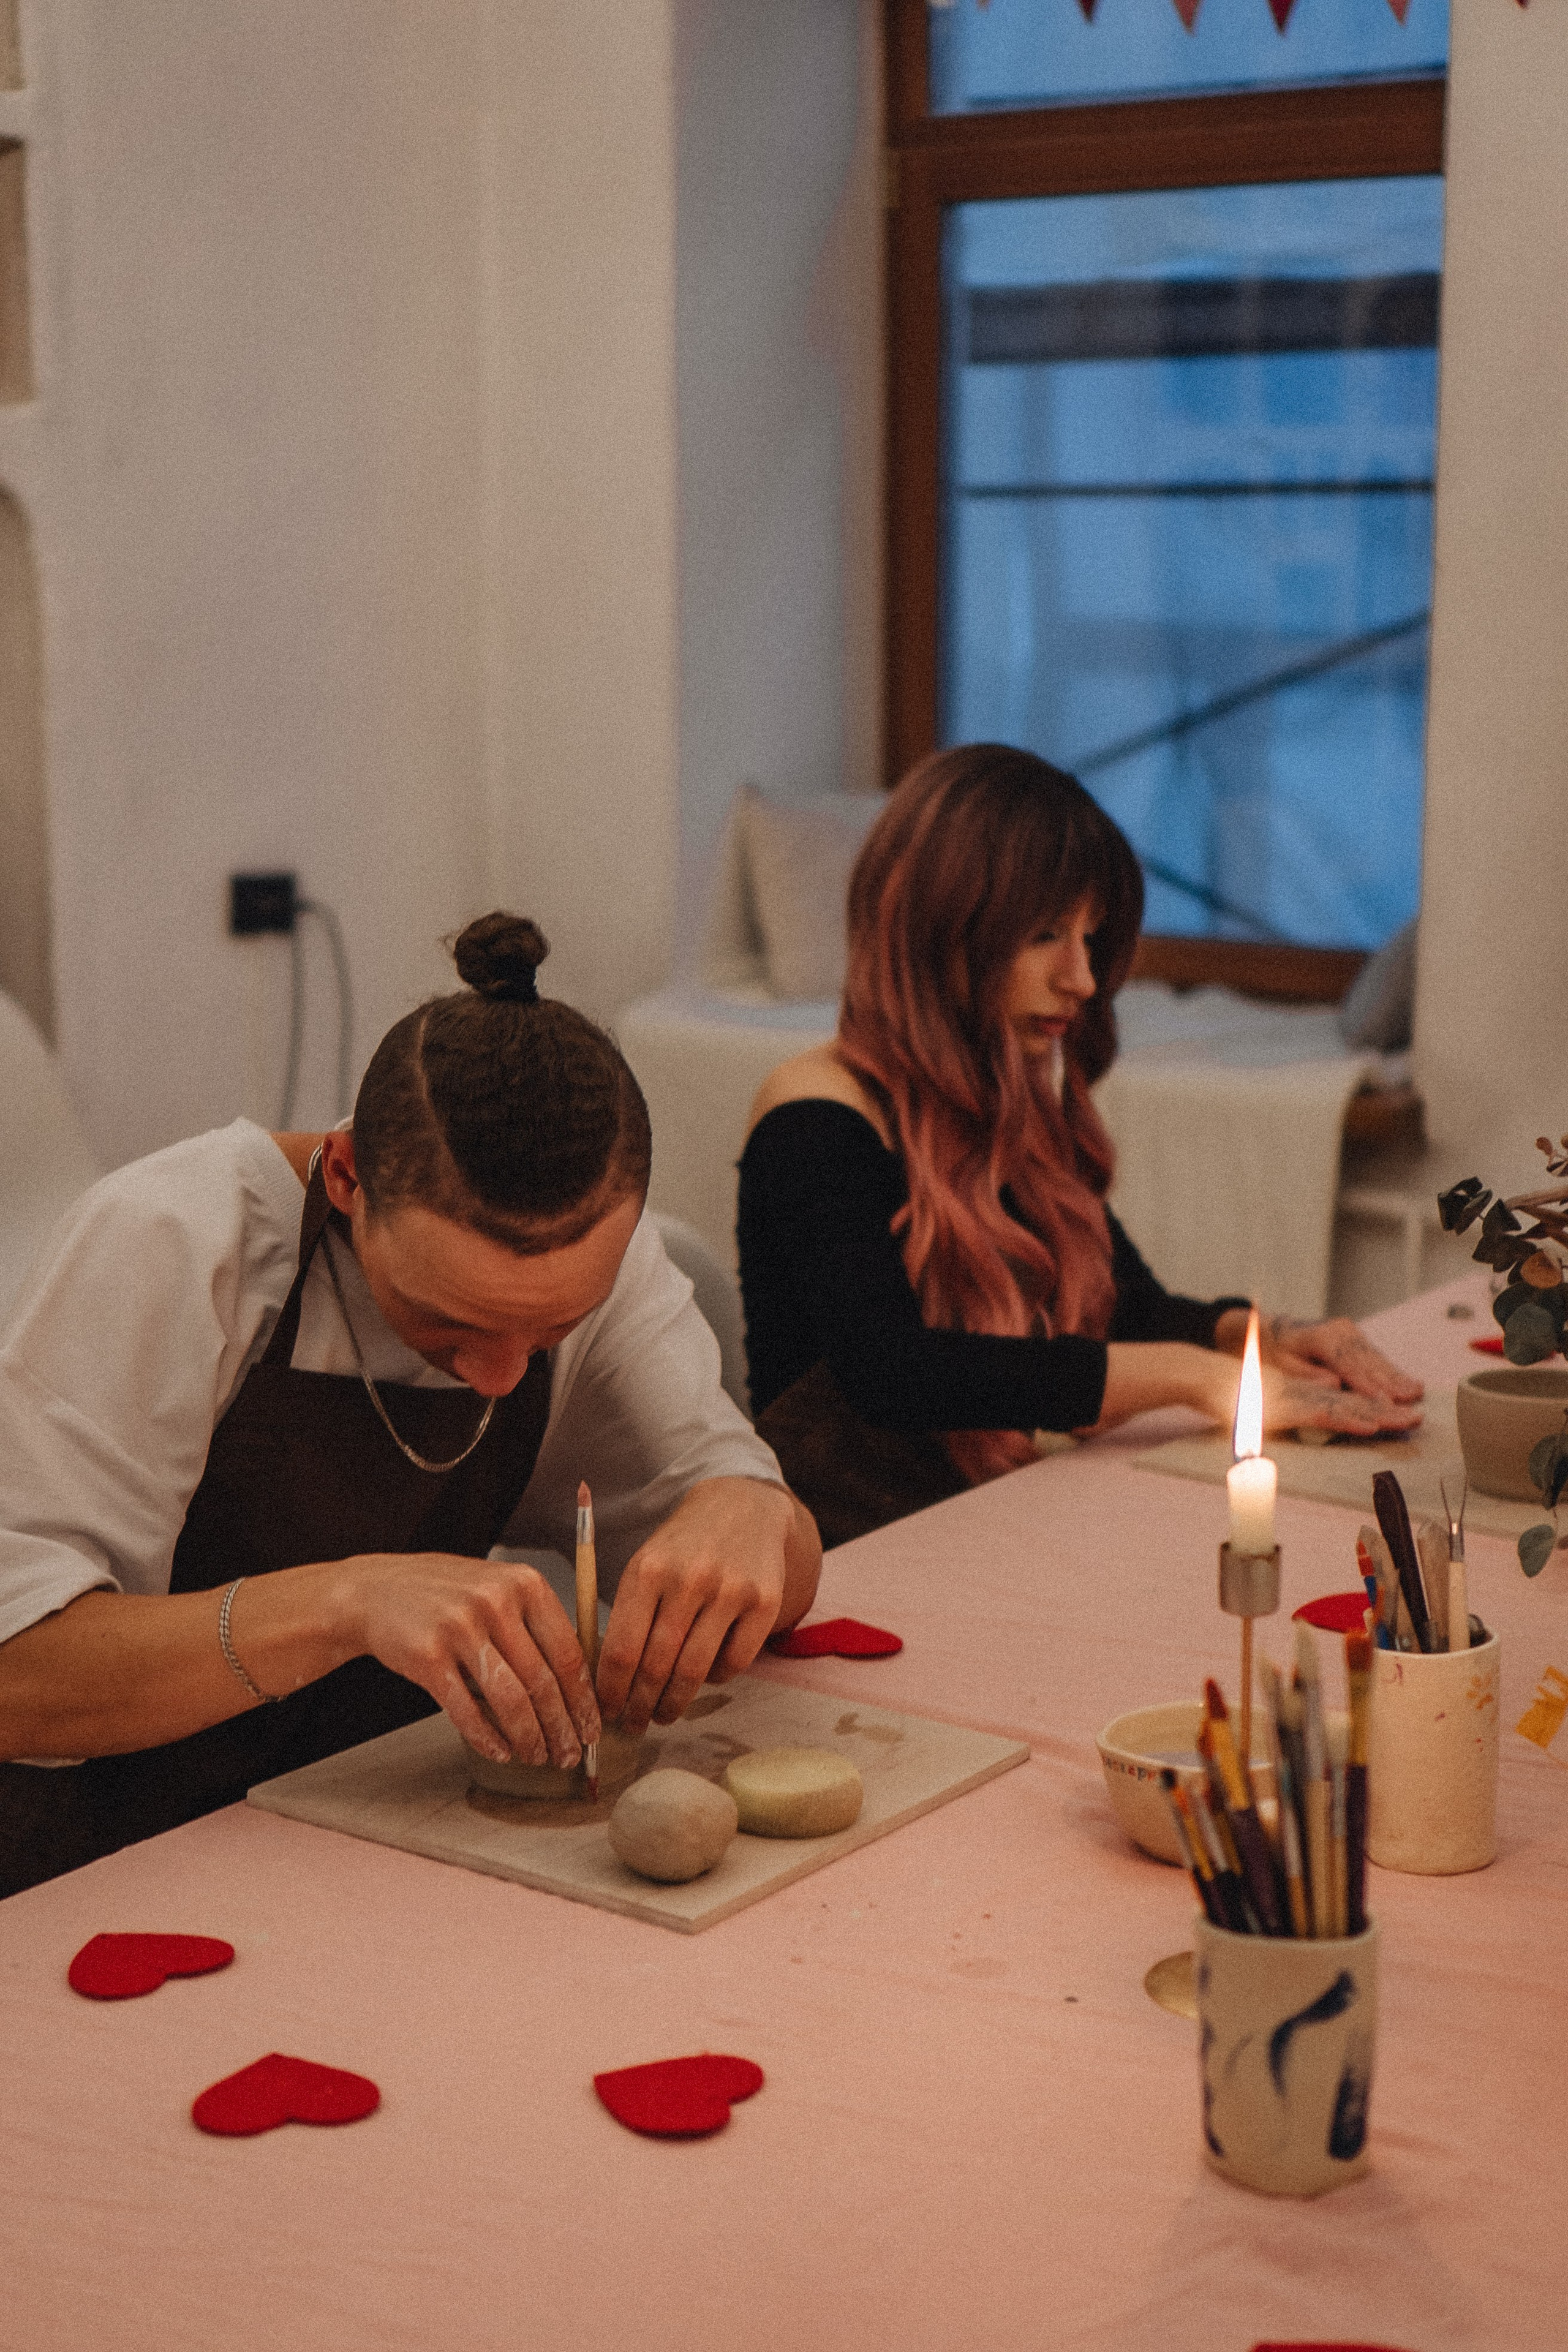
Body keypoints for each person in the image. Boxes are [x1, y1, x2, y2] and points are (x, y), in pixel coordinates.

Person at [0, 913, 820, 1896]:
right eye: (449, 1326)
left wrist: (750, 1505)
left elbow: (788, 1576)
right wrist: (346, 1603)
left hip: (376, 1829)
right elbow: (22, 1676)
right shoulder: (173, 1244)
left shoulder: (597, 1268)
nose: (503, 1376)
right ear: (347, 1177)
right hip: (113, 1856)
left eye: (551, 1332)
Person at [737, 745, 1422, 1547]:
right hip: (844, 1560)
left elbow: (1121, 1306)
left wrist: (1260, 1336)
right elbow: (893, 1370)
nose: (1084, 979)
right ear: (941, 936)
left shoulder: (1009, 1090)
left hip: (971, 1522)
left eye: (1092, 939)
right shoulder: (813, 1114)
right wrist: (1201, 1380)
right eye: (1047, 935)